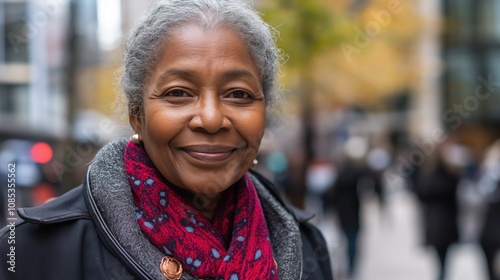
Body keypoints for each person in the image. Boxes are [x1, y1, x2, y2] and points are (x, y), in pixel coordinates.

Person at [0, 1, 333, 279]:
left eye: (238, 94)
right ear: (137, 115)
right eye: (178, 93)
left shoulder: (305, 247)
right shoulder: (32, 253)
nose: (212, 118)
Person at [413, 147, 461, 280]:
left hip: (435, 220)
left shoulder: (428, 177)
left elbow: (420, 195)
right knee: (443, 255)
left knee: (439, 255)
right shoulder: (449, 176)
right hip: (445, 220)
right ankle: (442, 275)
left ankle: (441, 275)